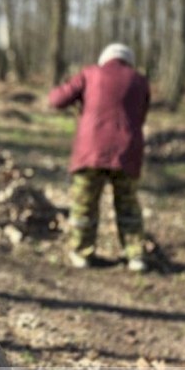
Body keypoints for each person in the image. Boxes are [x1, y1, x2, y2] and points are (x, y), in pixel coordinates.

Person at [48, 42, 150, 272]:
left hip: (91, 150)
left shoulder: (89, 74)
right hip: (127, 150)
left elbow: (56, 100)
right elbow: (140, 115)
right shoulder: (139, 80)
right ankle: (135, 256)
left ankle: (81, 253)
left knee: (84, 204)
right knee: (128, 204)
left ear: (104, 58)